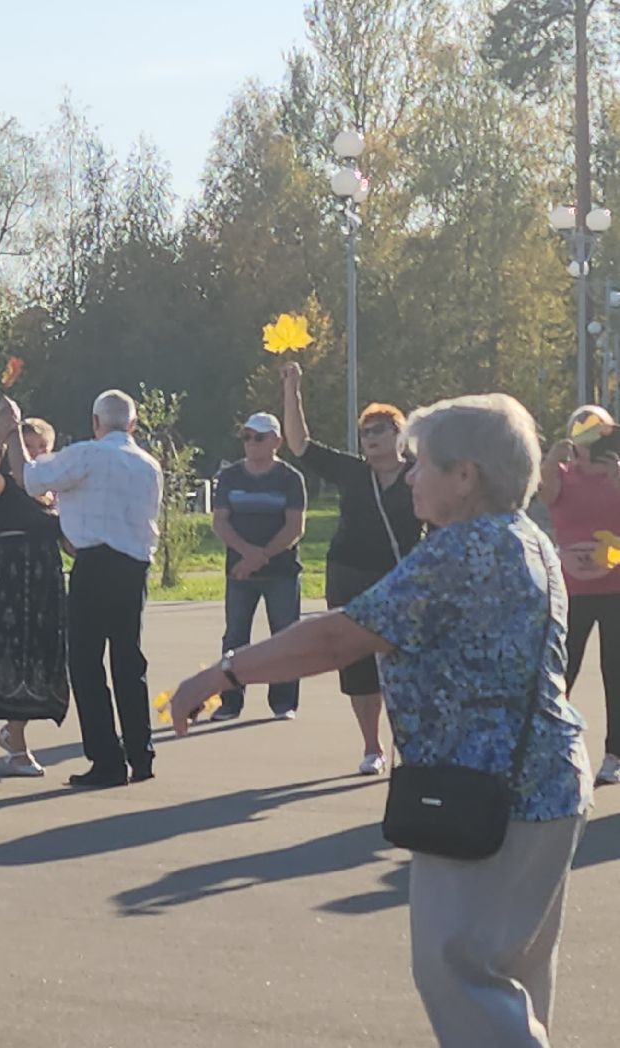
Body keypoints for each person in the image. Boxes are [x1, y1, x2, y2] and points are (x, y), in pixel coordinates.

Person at [171, 393, 592, 1047]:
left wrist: (222, 673)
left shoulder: (462, 549)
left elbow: (339, 637)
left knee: (458, 973)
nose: (411, 475)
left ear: (465, 476)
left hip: (485, 797)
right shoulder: (527, 539)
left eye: (423, 463)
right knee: (511, 972)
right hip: (547, 786)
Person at [3, 389, 162, 789]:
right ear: (133, 425)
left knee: (88, 665)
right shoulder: (149, 466)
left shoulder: (86, 455)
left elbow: (27, 478)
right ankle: (141, 753)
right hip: (134, 566)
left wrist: (13, 431)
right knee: (129, 660)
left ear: (95, 423)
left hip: (94, 564)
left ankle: (107, 760)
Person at [280, 361, 422, 775]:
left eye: (380, 429)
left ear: (400, 434)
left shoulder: (419, 475)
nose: (371, 437)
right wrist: (292, 389)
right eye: (365, 432)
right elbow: (300, 444)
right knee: (357, 662)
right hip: (349, 576)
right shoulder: (352, 471)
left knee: (405, 662)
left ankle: (412, 745)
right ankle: (372, 747)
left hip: (400, 580)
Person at [0, 413, 69, 778]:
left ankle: (13, 733)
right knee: (15, 653)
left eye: (42, 447)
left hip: (45, 577)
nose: (34, 454)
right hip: (11, 576)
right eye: (27, 446)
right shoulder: (8, 484)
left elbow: (69, 541)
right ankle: (16, 745)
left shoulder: (55, 492)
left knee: (40, 653)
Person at [537, 404, 620, 786]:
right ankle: (550, 746)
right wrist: (549, 462)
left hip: (616, 587)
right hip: (571, 589)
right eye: (583, 432)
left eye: (600, 433)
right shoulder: (561, 474)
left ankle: (615, 754)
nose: (591, 442)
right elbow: (545, 496)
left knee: (615, 671)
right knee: (560, 670)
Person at [210, 411, 307, 721]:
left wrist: (260, 556)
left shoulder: (290, 478)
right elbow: (220, 522)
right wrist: (246, 554)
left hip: (281, 573)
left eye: (259, 437)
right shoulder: (230, 476)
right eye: (247, 437)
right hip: (239, 572)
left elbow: (295, 527)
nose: (251, 443)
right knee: (235, 637)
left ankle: (284, 702)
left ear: (277, 441)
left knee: (285, 635)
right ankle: (230, 701)